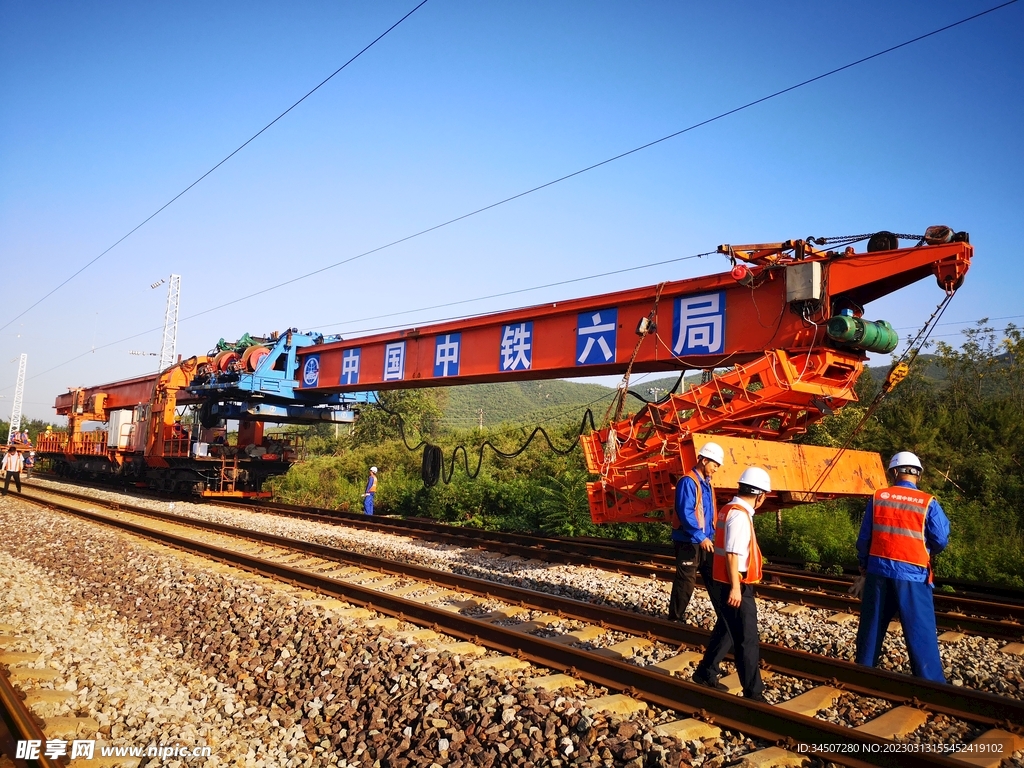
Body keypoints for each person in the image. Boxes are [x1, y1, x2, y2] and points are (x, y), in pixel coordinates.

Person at [853, 451, 949, 683]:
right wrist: (926, 550)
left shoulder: (878, 497)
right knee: (920, 630)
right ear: (918, 475)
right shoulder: (928, 502)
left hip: (878, 571)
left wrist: (864, 565)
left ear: (895, 472)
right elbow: (941, 538)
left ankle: (863, 674)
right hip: (913, 574)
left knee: (872, 625)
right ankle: (931, 683)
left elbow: (865, 538)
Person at [691, 466, 771, 702]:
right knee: (747, 639)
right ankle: (753, 693)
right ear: (760, 496)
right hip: (735, 581)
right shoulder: (739, 514)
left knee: (726, 627)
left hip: (725, 579)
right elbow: (732, 554)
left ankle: (706, 672)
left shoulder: (728, 509)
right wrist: (736, 587)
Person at [668, 442, 725, 622]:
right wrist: (700, 536)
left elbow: (706, 514)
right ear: (704, 460)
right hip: (688, 541)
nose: (716, 469)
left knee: (715, 578)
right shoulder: (688, 482)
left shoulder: (707, 484)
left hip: (704, 540)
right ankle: (674, 619)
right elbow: (686, 512)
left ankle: (725, 618)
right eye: (715, 465)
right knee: (686, 581)